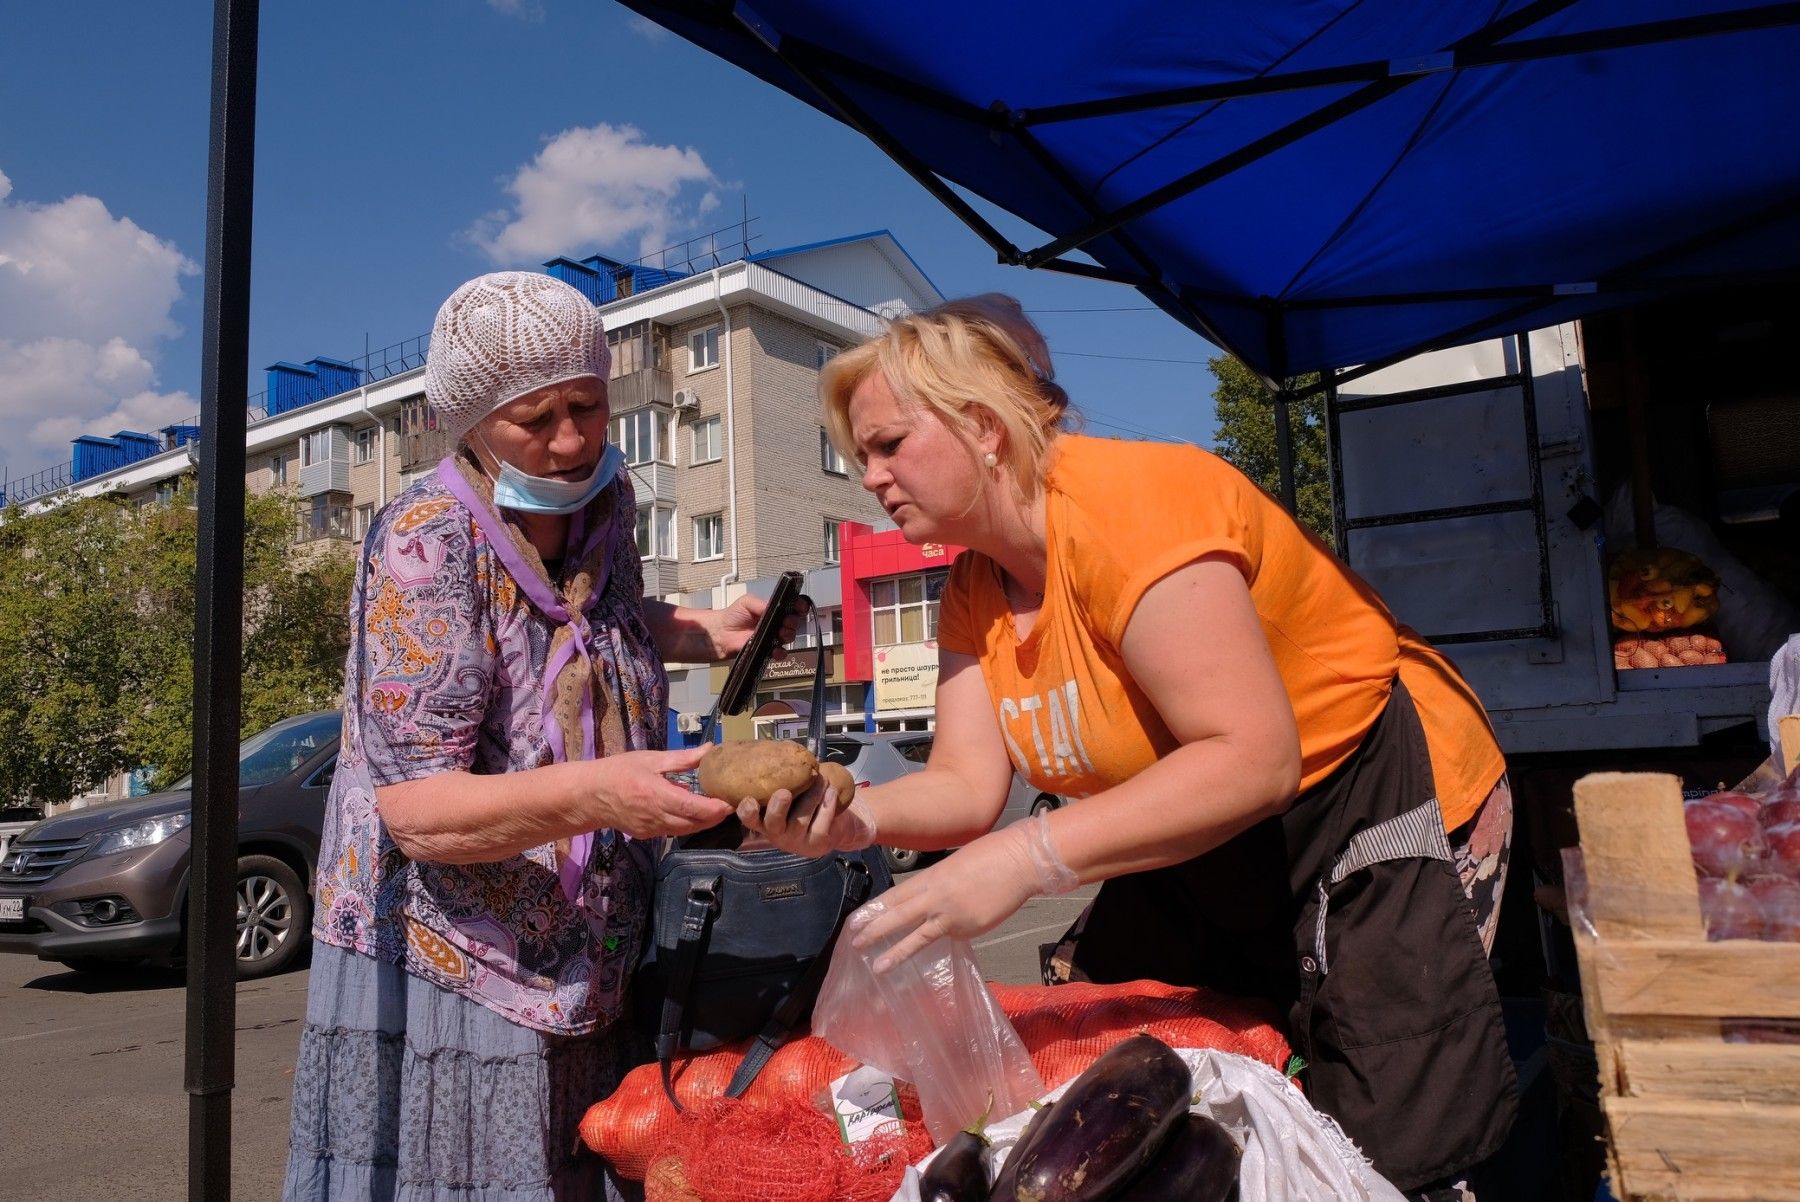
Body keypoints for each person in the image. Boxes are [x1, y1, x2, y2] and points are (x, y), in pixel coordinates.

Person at [739, 295, 1519, 1198]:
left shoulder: (1131, 505)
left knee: (1387, 1127)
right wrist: (853, 818)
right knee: (1144, 1093)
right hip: (1213, 829)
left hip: (1364, 803)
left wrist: (1027, 858)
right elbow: (962, 783)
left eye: (887, 445)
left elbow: (1251, 757)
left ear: (985, 430)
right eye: (860, 454)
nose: (870, 476)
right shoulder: (972, 584)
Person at [284, 272, 775, 1202]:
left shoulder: (605, 502)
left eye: (588, 405)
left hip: (595, 938)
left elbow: (588, 618)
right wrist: (597, 793)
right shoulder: (425, 543)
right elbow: (421, 814)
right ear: (466, 424)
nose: (571, 439)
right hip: (464, 950)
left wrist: (700, 631)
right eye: (534, 419)